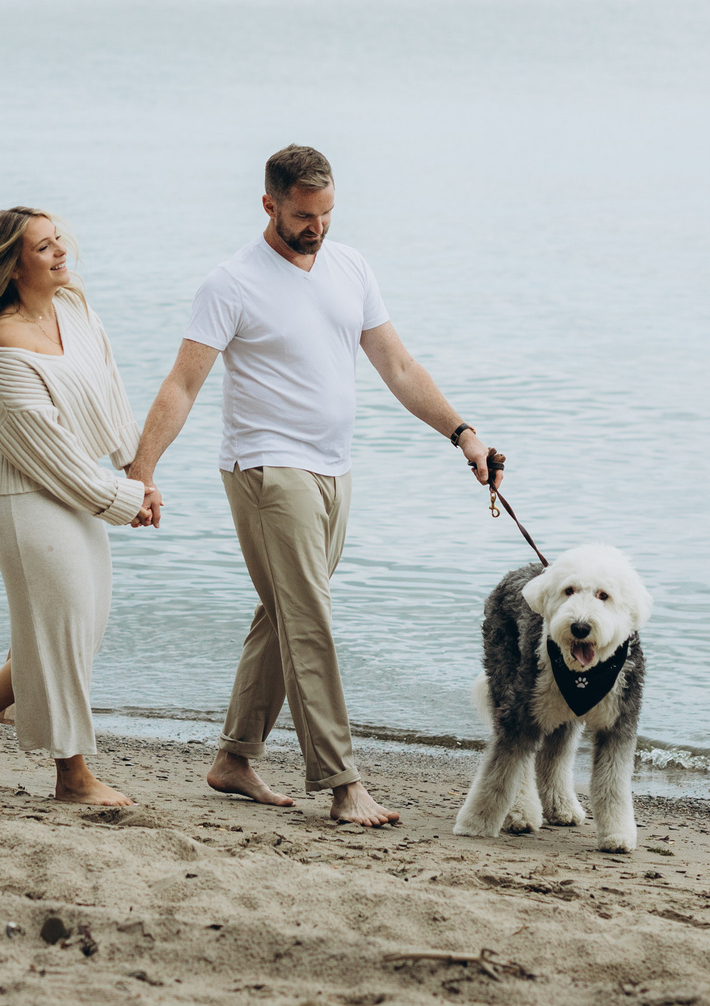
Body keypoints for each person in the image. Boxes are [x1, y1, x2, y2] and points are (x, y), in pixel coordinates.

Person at [128, 146, 500, 826]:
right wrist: (141, 468)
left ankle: (234, 756)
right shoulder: (231, 283)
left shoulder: (350, 266)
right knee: (311, 620)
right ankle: (342, 781)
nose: (317, 227)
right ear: (269, 204)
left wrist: (463, 433)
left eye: (326, 212)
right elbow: (182, 384)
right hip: (267, 467)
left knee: (286, 612)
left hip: (334, 467)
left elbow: (399, 364)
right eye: (303, 214)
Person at [0, 207, 164, 804]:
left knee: (77, 632)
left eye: (59, 237)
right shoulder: (1, 343)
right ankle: (73, 777)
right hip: (27, 505)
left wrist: (137, 472)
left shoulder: (76, 310)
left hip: (81, 496)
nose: (62, 250)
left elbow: (111, 396)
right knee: (61, 635)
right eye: (44, 247)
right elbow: (50, 457)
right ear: (14, 267)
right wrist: (122, 500)